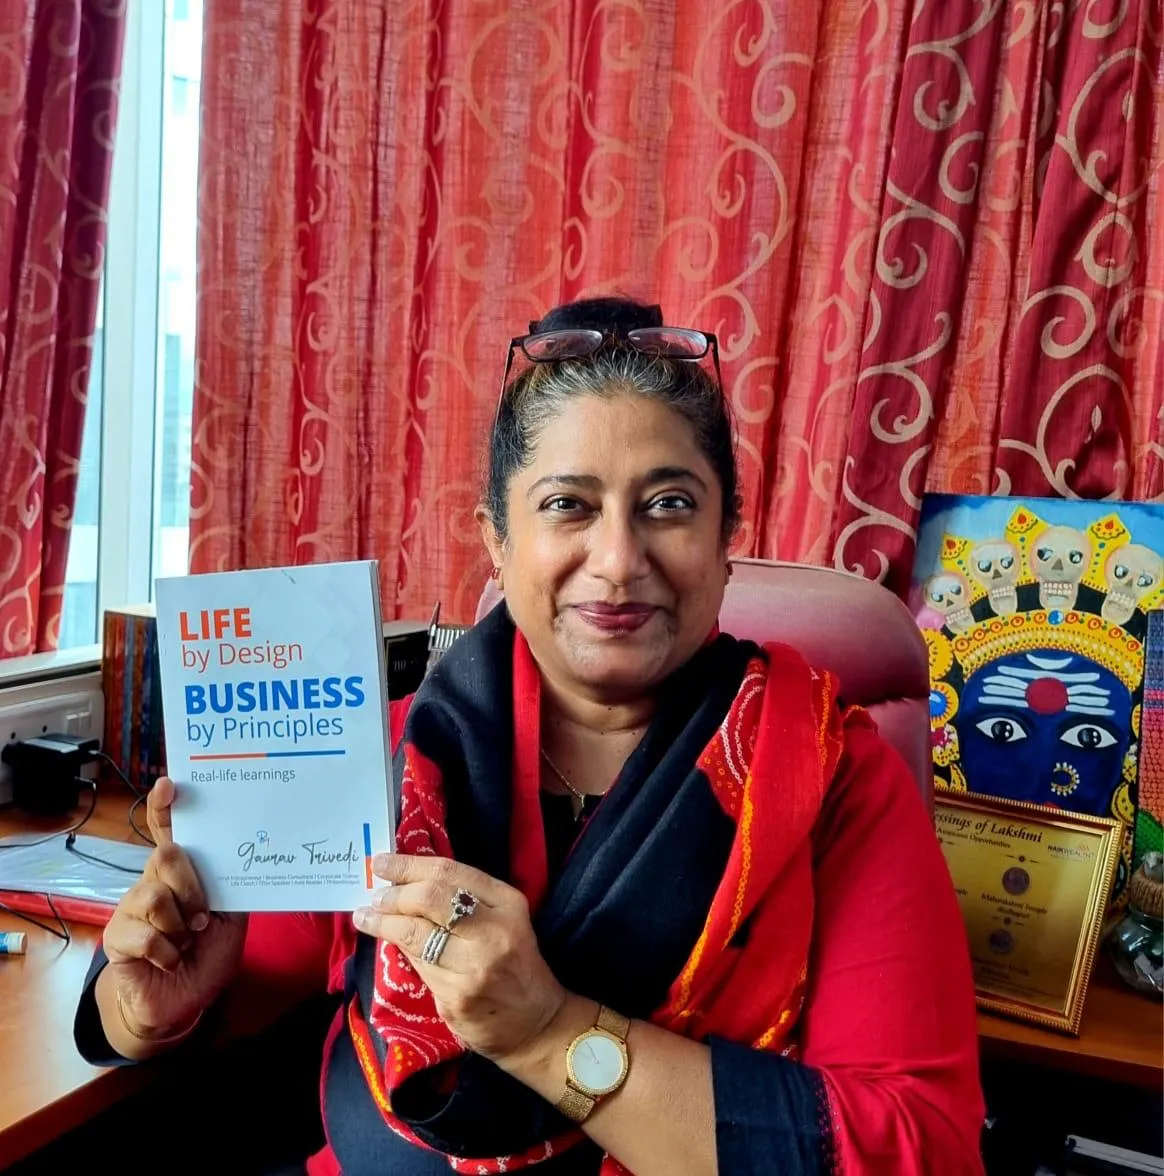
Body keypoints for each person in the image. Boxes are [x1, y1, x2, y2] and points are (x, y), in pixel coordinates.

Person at [75, 297, 985, 1175]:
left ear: (724, 543)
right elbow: (228, 1002)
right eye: (567, 505)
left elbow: (921, 1149)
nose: (619, 560)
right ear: (498, 542)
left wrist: (550, 1033)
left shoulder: (836, 778)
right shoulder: (379, 756)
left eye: (670, 504)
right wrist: (146, 1007)